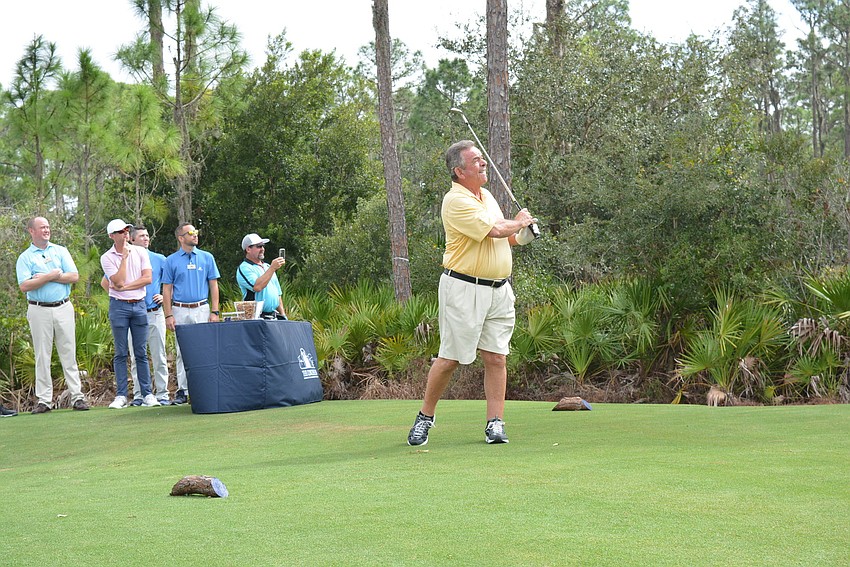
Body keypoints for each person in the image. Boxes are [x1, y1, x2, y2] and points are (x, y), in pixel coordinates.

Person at [407, 140, 537, 446]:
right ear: (459, 171)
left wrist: (524, 234)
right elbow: (493, 230)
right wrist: (517, 222)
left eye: (482, 159)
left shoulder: (488, 196)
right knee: (450, 359)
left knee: (496, 357)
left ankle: (495, 423)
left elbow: (505, 238)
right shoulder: (455, 201)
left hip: (499, 290)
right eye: (476, 160)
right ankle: (425, 416)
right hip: (464, 289)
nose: (483, 163)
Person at [15, 217, 90, 414]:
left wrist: (44, 277)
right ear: (31, 231)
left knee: (68, 352)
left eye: (48, 227)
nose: (46, 230)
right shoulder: (25, 257)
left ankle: (77, 397)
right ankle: (44, 400)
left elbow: (73, 276)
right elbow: (25, 285)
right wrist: (52, 275)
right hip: (39, 309)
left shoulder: (60, 251)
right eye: (42, 228)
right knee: (42, 354)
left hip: (63, 307)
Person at [101, 226, 172, 406]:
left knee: (144, 353)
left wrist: (124, 288)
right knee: (122, 352)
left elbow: (148, 279)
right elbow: (112, 282)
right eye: (121, 232)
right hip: (119, 307)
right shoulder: (107, 257)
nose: (124, 234)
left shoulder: (144, 254)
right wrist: (123, 260)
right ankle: (126, 396)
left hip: (144, 308)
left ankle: (153, 394)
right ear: (112, 236)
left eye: (126, 231)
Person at [162, 223, 221, 405]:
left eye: (196, 232)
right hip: (180, 309)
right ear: (181, 238)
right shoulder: (171, 260)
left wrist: (214, 311)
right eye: (191, 233)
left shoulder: (206, 257)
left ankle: (203, 388)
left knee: (204, 350)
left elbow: (213, 285)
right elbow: (166, 289)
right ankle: (183, 390)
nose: (195, 235)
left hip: (202, 308)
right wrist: (168, 315)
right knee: (182, 351)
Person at [236, 233, 287, 319]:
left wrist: (283, 315)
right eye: (259, 246)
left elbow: (277, 293)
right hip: (255, 318)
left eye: (263, 246)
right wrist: (272, 268)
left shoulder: (267, 266)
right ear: (248, 249)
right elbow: (257, 287)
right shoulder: (245, 268)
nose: (262, 249)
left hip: (273, 317)